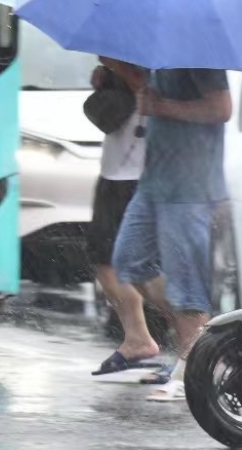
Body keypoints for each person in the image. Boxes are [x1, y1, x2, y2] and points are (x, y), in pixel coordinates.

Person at [111, 65, 232, 402]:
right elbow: (152, 95)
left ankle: (193, 369)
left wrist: (162, 107)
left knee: (186, 283)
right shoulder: (159, 54)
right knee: (130, 261)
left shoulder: (198, 54)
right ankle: (204, 345)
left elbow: (221, 109)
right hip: (154, 182)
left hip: (190, 186)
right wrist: (119, 69)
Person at [87, 57, 162, 380]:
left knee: (140, 264)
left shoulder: (154, 45)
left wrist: (116, 65)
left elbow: (144, 83)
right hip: (116, 167)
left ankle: (195, 337)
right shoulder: (128, 39)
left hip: (139, 170)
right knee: (105, 258)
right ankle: (137, 337)